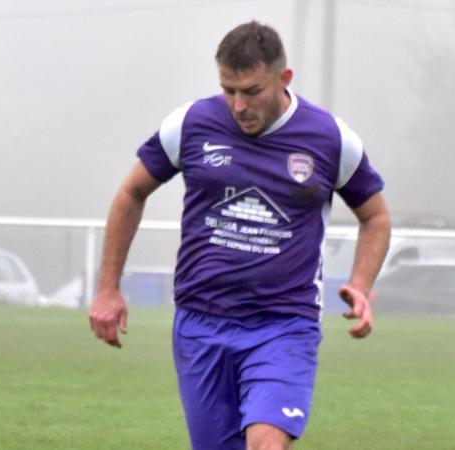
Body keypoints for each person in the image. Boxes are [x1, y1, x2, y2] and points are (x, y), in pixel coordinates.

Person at [89, 20, 391, 450]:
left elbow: (375, 215)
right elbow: (131, 192)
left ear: (283, 79)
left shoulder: (329, 139)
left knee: (267, 443)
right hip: (200, 322)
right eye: (228, 90)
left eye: (251, 91)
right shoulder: (190, 124)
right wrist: (107, 288)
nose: (238, 105)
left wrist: (361, 284)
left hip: (283, 324)